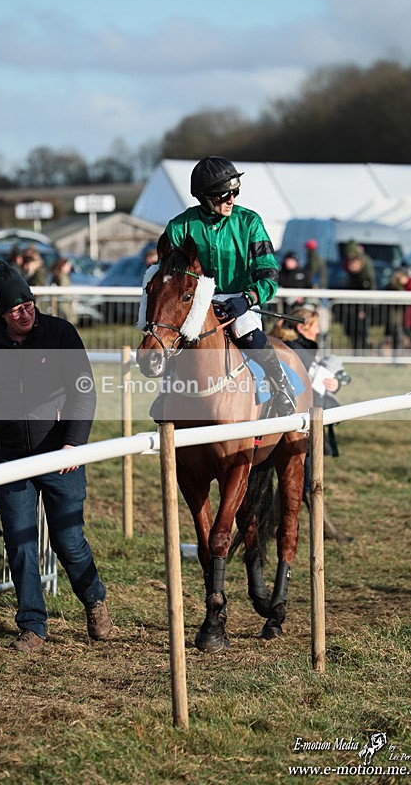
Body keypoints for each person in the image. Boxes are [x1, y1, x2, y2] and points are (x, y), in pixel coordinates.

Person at [0, 259, 111, 652]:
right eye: (17, 309)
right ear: (2, 314)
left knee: (69, 542)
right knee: (20, 542)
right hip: (10, 460)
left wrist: (74, 442)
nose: (26, 312)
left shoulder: (60, 333)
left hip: (59, 456)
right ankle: (32, 625)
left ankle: (94, 599)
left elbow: (84, 391)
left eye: (29, 304)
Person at [163, 155, 296, 417]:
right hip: (196, 301)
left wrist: (247, 299)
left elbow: (269, 274)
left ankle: (281, 387)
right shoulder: (179, 227)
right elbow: (167, 278)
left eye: (234, 192)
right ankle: (165, 393)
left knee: (247, 331)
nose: (231, 199)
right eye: (224, 195)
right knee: (175, 339)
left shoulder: (250, 222)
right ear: (204, 197)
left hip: (240, 299)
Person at [271, 305, 352, 541]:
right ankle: (325, 529)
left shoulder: (303, 348)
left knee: (295, 477)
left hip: (302, 420)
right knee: (306, 479)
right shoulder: (296, 351)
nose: (318, 332)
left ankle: (271, 525)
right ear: (301, 327)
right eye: (315, 327)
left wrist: (335, 384)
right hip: (298, 423)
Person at [341, 244, 376, 350]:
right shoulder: (351, 276)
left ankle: (363, 352)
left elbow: (367, 293)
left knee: (362, 331)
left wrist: (363, 310)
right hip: (352, 309)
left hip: (363, 309)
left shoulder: (365, 276)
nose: (352, 266)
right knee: (351, 331)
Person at [50, 257, 77, 324]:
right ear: (62, 266)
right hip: (64, 304)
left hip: (61, 304)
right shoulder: (63, 276)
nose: (69, 267)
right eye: (67, 265)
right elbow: (65, 292)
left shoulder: (57, 275)